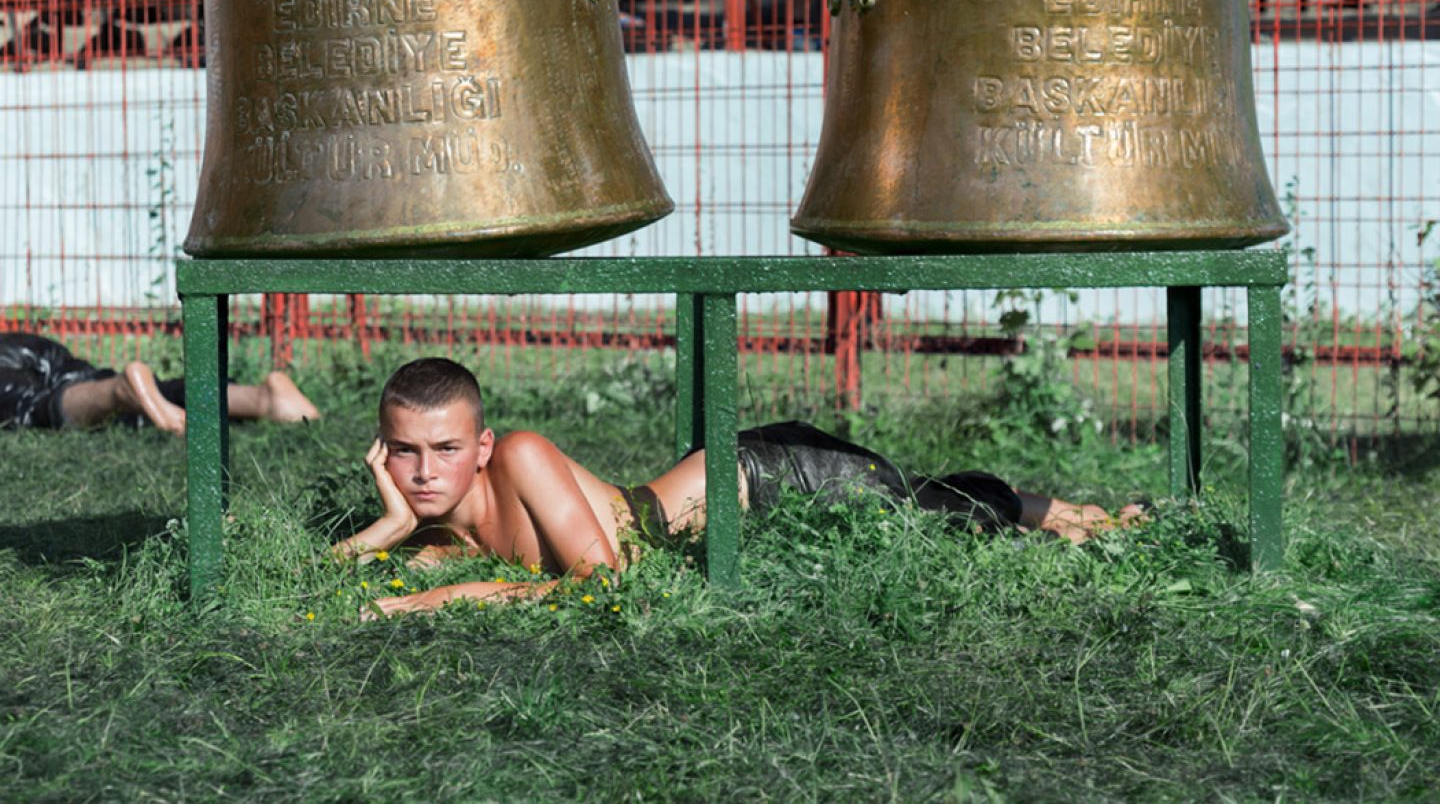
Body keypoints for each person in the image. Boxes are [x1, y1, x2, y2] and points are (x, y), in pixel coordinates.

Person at [337, 358, 1146, 618]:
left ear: (478, 446)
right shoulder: (441, 537)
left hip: (765, 479)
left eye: (444, 449)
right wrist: (386, 526)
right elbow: (341, 579)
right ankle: (1077, 520)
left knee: (942, 514)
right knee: (932, 504)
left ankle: (1100, 520)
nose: (425, 471)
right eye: (403, 454)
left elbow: (603, 584)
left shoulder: (519, 455)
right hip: (741, 500)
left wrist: (429, 603)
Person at [0, 331, 320, 436]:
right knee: (151, 396)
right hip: (28, 345)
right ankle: (262, 398)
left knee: (33, 407)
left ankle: (120, 390)